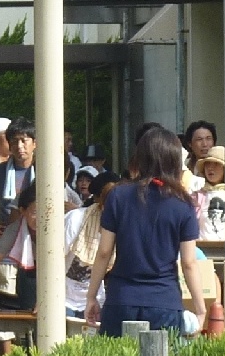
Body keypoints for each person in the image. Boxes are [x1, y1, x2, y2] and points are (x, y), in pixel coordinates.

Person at [85, 126, 207, 337]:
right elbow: (189, 263)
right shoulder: (183, 204)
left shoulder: (118, 196)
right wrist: (200, 309)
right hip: (165, 302)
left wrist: (91, 297)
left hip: (121, 299)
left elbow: (104, 252)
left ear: (140, 158)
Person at [64, 171, 120, 318]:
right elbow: (53, 258)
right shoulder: (76, 219)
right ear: (99, 200)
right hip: (63, 299)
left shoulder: (122, 226)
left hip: (95, 300)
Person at [0, 117, 37, 226]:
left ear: (34, 143)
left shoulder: (43, 172)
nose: (19, 146)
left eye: (24, 141)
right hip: (5, 229)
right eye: (14, 141)